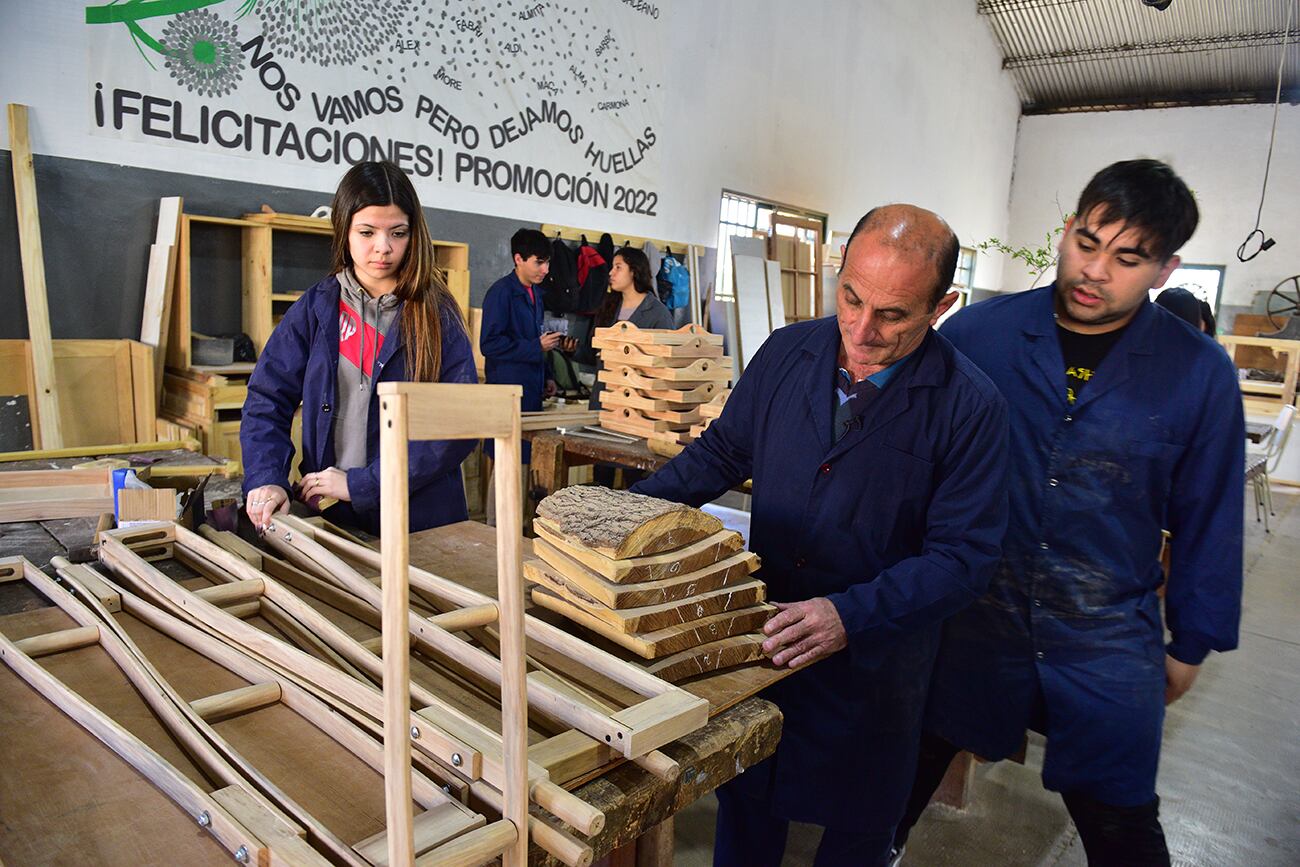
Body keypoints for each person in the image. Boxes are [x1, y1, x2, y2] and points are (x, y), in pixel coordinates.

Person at [631, 204, 1010, 867]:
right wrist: (621, 512)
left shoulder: (970, 408)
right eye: (852, 298)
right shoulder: (787, 354)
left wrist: (848, 615)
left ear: (941, 305)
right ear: (840, 271)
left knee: (857, 833)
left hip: (873, 673)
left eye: (892, 315)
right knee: (747, 812)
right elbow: (721, 454)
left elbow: (964, 559)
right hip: (765, 642)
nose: (862, 330)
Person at [894, 160, 1244, 866]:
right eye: (1087, 243)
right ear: (1066, 230)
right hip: (970, 615)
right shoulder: (981, 337)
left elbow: (1212, 512)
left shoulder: (1197, 372)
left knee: (1122, 824)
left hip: (1105, 631)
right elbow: (910, 470)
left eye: (1127, 258)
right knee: (890, 787)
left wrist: (1190, 642)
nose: (1094, 270)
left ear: (1165, 268)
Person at [241, 160, 477, 535]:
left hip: (421, 518)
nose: (382, 248)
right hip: (334, 515)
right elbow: (267, 399)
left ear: (413, 234)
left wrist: (365, 483)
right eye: (367, 232)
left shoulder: (437, 314)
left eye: (397, 233)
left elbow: (458, 425)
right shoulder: (317, 308)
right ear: (344, 231)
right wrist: (267, 477)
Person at [480, 228, 570, 462]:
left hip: (531, 390)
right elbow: (489, 344)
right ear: (518, 259)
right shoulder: (501, 293)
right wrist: (535, 347)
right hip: (506, 392)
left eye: (547, 262)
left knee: (526, 460)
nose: (545, 270)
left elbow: (535, 337)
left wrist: (547, 376)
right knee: (504, 462)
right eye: (539, 262)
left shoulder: (536, 295)